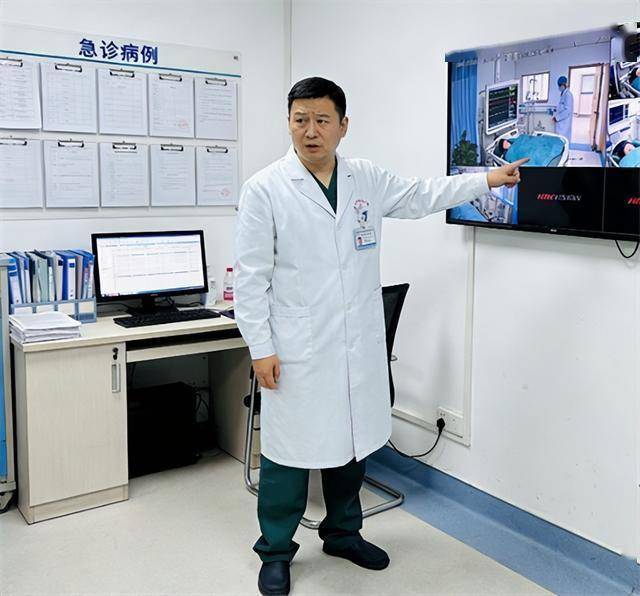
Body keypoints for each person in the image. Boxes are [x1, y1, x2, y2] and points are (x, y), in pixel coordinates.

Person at [234, 77, 527, 596]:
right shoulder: (265, 189)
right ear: (289, 123)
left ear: (343, 126)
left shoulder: (365, 177)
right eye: (300, 120)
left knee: (352, 445)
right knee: (288, 456)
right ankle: (275, 550)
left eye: (322, 120)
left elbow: (421, 195)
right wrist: (261, 348)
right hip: (297, 350)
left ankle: (343, 534)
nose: (310, 131)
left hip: (357, 345)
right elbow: (251, 279)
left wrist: (486, 180)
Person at [553, 75, 574, 142]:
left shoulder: (568, 95)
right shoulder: (563, 94)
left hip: (564, 124)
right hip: (561, 123)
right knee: (560, 140)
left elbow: (567, 111)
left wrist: (557, 118)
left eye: (560, 85)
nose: (559, 87)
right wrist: (555, 110)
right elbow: (561, 107)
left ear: (564, 85)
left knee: (563, 141)